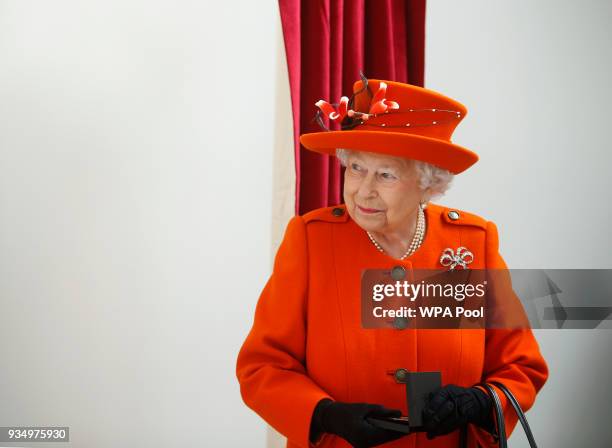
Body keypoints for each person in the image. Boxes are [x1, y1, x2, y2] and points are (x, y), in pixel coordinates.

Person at [236, 76, 548, 448]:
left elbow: (520, 366)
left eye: (386, 174)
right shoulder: (312, 240)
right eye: (356, 168)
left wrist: (481, 403)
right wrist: (324, 415)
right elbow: (263, 366)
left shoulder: (471, 243)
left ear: (428, 183)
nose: (363, 190)